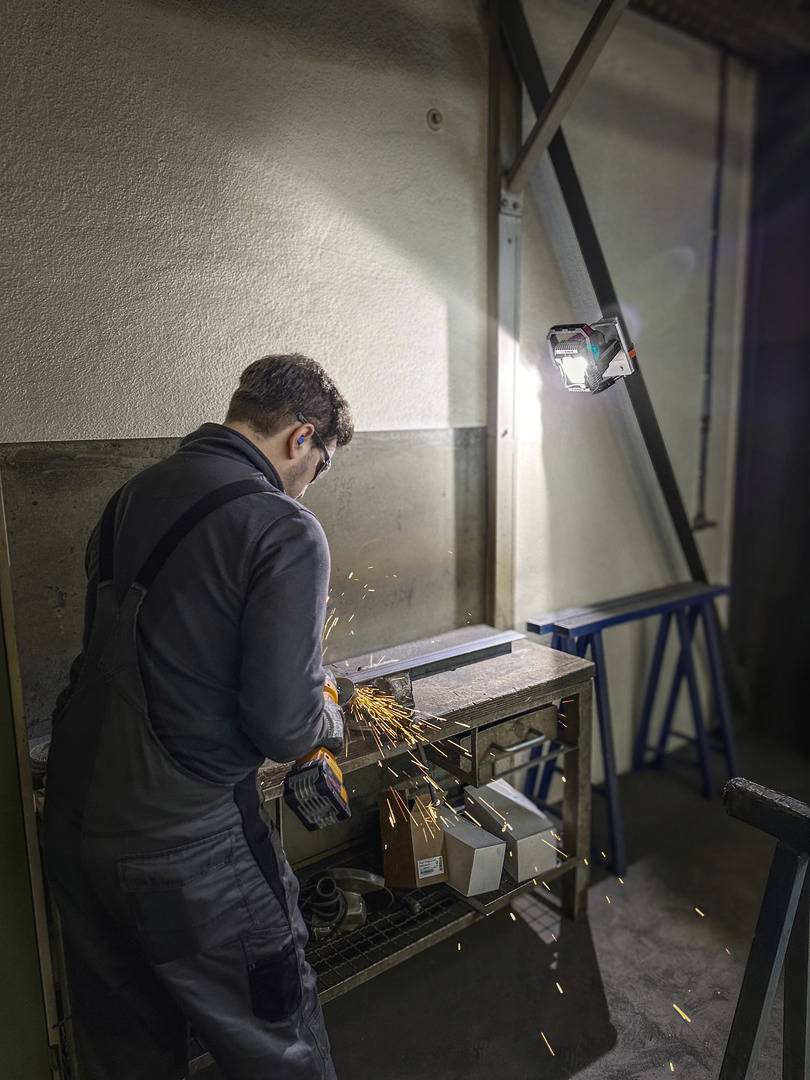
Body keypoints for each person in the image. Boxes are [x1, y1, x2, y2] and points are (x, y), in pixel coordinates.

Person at [43, 354, 353, 1080]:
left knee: (129, 1053)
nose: (311, 485)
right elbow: (283, 722)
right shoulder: (285, 527)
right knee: (278, 1045)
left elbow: (173, 650)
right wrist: (326, 721)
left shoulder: (131, 495)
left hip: (79, 829)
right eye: (321, 464)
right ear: (299, 439)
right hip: (186, 853)